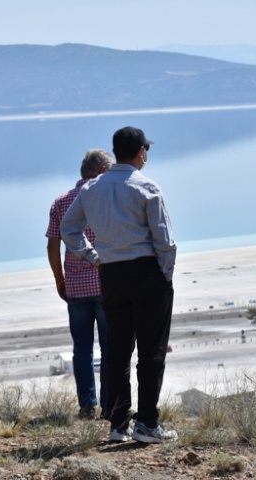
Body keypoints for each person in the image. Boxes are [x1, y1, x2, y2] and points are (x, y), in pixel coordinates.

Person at [61, 126, 178, 444]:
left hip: (110, 274)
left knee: (118, 352)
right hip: (146, 274)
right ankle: (148, 424)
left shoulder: (92, 189)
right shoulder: (147, 187)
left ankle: (118, 425)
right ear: (140, 152)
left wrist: (92, 256)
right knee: (151, 353)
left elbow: (68, 228)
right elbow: (164, 241)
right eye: (146, 151)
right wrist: (165, 276)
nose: (147, 156)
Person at [45, 149, 113, 419]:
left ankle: (87, 406)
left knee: (81, 350)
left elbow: (52, 245)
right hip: (108, 285)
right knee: (110, 349)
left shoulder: (61, 202)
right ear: (102, 172)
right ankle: (110, 406)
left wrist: (59, 280)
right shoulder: (108, 197)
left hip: (75, 288)